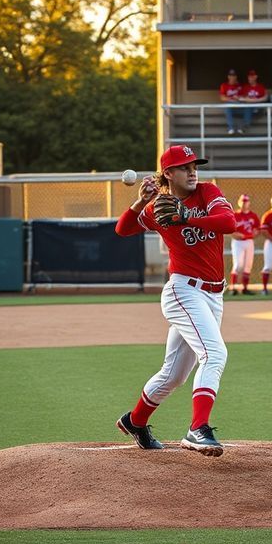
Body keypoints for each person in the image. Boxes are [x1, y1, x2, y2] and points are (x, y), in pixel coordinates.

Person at [114, 144, 236, 457]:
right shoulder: (158, 206)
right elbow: (122, 229)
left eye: (194, 165)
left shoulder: (208, 192)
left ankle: (135, 421)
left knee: (174, 375)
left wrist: (187, 219)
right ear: (168, 173)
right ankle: (198, 428)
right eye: (184, 167)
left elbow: (228, 223)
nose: (192, 171)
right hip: (184, 291)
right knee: (215, 354)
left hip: (214, 295)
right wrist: (141, 201)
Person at [230, 193, 260, 295]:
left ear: (249, 203)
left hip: (249, 242)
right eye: (242, 201)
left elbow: (257, 229)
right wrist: (235, 234)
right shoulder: (235, 215)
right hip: (238, 242)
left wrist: (255, 233)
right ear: (239, 202)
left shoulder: (253, 216)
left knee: (248, 265)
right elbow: (230, 230)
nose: (244, 203)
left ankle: (245, 288)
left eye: (246, 201)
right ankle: (233, 287)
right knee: (238, 265)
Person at [220, 69, 243, 135]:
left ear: (236, 77)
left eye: (233, 75)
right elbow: (222, 98)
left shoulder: (240, 86)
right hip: (229, 106)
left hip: (239, 105)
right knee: (227, 107)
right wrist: (232, 100)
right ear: (228, 77)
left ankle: (242, 127)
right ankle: (231, 128)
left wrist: (239, 98)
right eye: (230, 75)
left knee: (249, 108)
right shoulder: (224, 85)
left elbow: (244, 97)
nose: (232, 77)